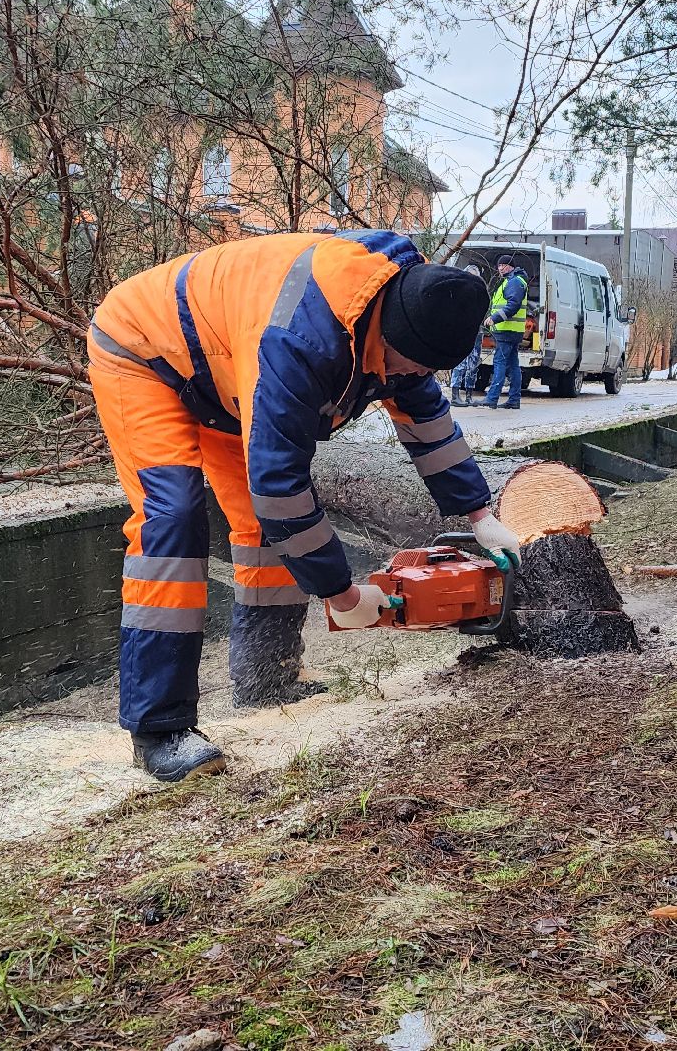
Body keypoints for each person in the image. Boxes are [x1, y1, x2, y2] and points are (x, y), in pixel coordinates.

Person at [88, 230, 523, 781]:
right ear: (389, 335)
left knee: (261, 530)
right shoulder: (302, 341)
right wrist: (342, 594)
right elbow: (280, 487)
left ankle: (265, 679)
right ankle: (160, 730)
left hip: (227, 374)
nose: (411, 380)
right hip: (146, 353)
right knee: (172, 519)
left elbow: (429, 424)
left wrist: (481, 516)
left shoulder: (408, 307)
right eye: (409, 368)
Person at [482, 254, 530, 409]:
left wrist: (495, 318)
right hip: (510, 331)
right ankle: (514, 400)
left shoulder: (514, 282)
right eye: (499, 265)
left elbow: (513, 305)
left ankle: (492, 398)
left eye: (503, 265)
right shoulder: (512, 281)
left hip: (507, 331)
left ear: (511, 267)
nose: (500, 268)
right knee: (513, 365)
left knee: (500, 363)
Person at [448, 264, 487, 406]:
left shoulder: (480, 290)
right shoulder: (458, 290)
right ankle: (455, 395)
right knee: (460, 363)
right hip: (462, 331)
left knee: (473, 364)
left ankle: (469, 394)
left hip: (477, 331)